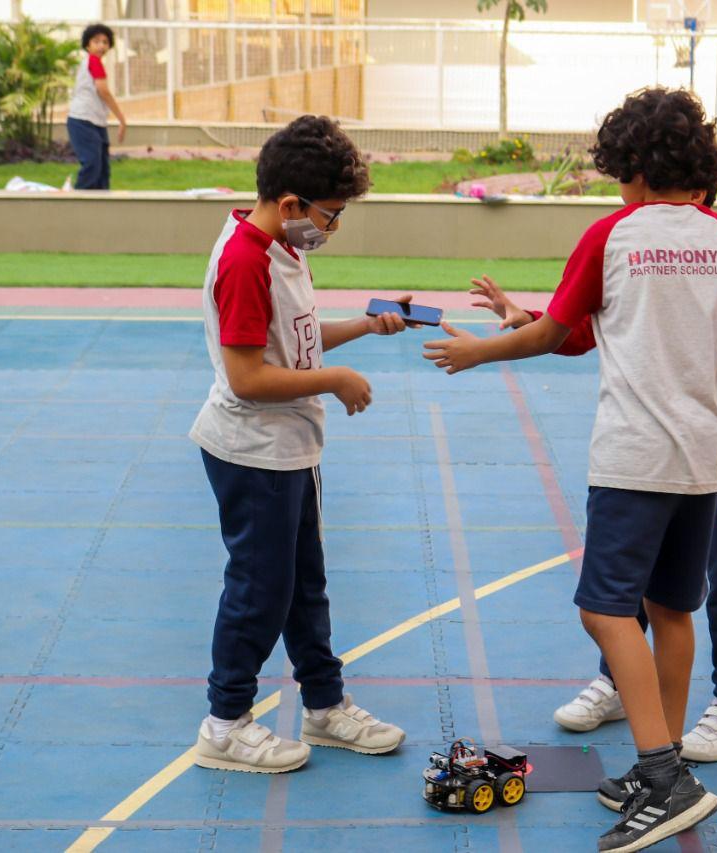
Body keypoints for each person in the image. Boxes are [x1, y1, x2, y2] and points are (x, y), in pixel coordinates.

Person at [423, 87, 717, 852]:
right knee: (672, 609)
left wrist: (479, 350)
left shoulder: (611, 236)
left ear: (633, 169)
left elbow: (553, 332)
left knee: (605, 611)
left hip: (632, 459)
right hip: (704, 461)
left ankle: (662, 772)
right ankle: (665, 763)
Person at [468, 219, 717, 778]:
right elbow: (595, 329)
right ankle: (622, 686)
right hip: (664, 437)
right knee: (641, 572)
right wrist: (534, 322)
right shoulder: (632, 241)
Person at [189, 116, 411, 774]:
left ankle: (324, 702)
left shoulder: (284, 250)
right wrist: (336, 381)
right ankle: (225, 722)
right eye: (330, 215)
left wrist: (367, 326)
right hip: (253, 451)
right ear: (291, 205)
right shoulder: (244, 262)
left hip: (291, 448)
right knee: (260, 590)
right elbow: (248, 374)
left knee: (304, 585)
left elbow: (297, 341)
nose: (331, 228)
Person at [66, 23, 127, 190]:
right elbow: (103, 91)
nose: (101, 45)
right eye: (96, 41)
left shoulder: (93, 62)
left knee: (102, 170)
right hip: (82, 121)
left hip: (96, 122)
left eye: (105, 42)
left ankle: (101, 207)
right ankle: (77, 203)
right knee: (92, 165)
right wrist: (122, 119)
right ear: (88, 45)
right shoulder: (93, 61)